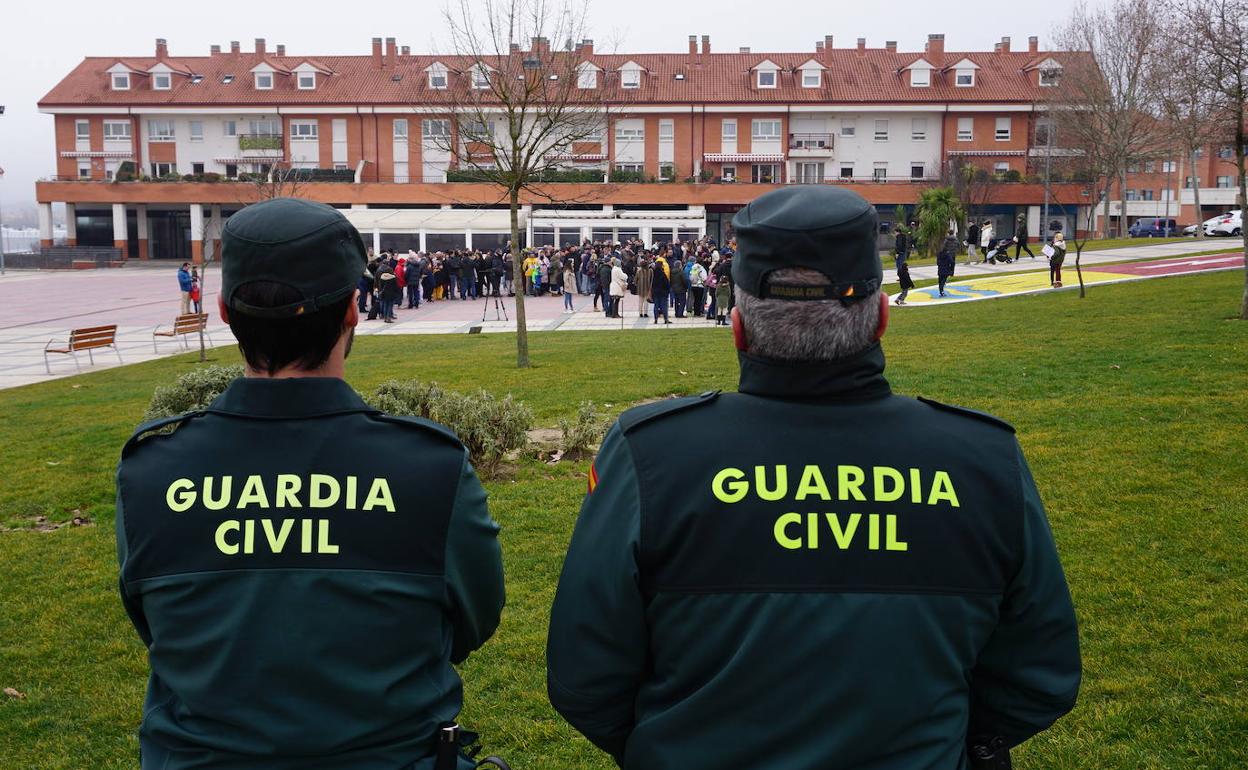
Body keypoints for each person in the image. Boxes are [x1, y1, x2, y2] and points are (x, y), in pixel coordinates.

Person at [547, 185, 1080, 770]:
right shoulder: (981, 458)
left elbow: (586, 674)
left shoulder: (651, 453)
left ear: (737, 328)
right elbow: (1038, 674)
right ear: (881, 319)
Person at [115, 198, 505, 770]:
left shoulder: (152, 470)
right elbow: (473, 621)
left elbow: (154, 623)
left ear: (224, 310)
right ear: (353, 308)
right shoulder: (429, 468)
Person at [893, 225, 914, 306]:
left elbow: (899, 246)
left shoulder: (899, 237)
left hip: (901, 253)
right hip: (903, 253)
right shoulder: (903, 237)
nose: (894, 234)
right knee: (901, 265)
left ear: (897, 232)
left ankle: (900, 276)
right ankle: (900, 300)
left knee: (899, 265)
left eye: (895, 232)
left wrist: (897, 253)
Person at [651, 252, 672, 324]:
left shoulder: (653, 274)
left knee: (656, 305)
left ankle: (655, 319)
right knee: (664, 306)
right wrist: (668, 290)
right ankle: (665, 319)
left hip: (656, 292)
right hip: (663, 292)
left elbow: (652, 284)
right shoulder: (663, 274)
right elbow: (667, 284)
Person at [937, 229, 958, 297]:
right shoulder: (955, 239)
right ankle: (951, 273)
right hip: (953, 253)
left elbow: (944, 246)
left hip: (947, 253)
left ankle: (941, 287)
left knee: (941, 276)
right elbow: (958, 244)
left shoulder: (946, 240)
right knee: (952, 264)